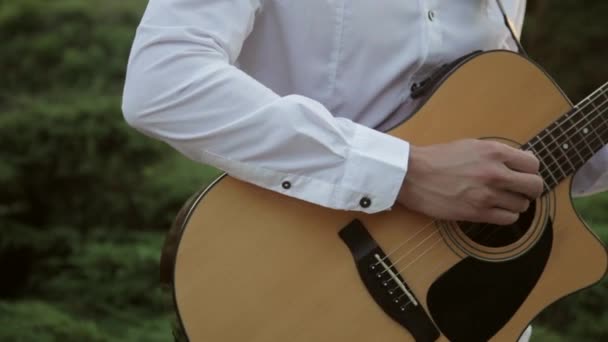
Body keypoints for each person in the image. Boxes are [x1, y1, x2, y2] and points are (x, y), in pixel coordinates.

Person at [121, 1, 608, 341]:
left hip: (474, 315)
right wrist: (404, 173)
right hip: (291, 292)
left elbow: (504, 136)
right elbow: (165, 83)